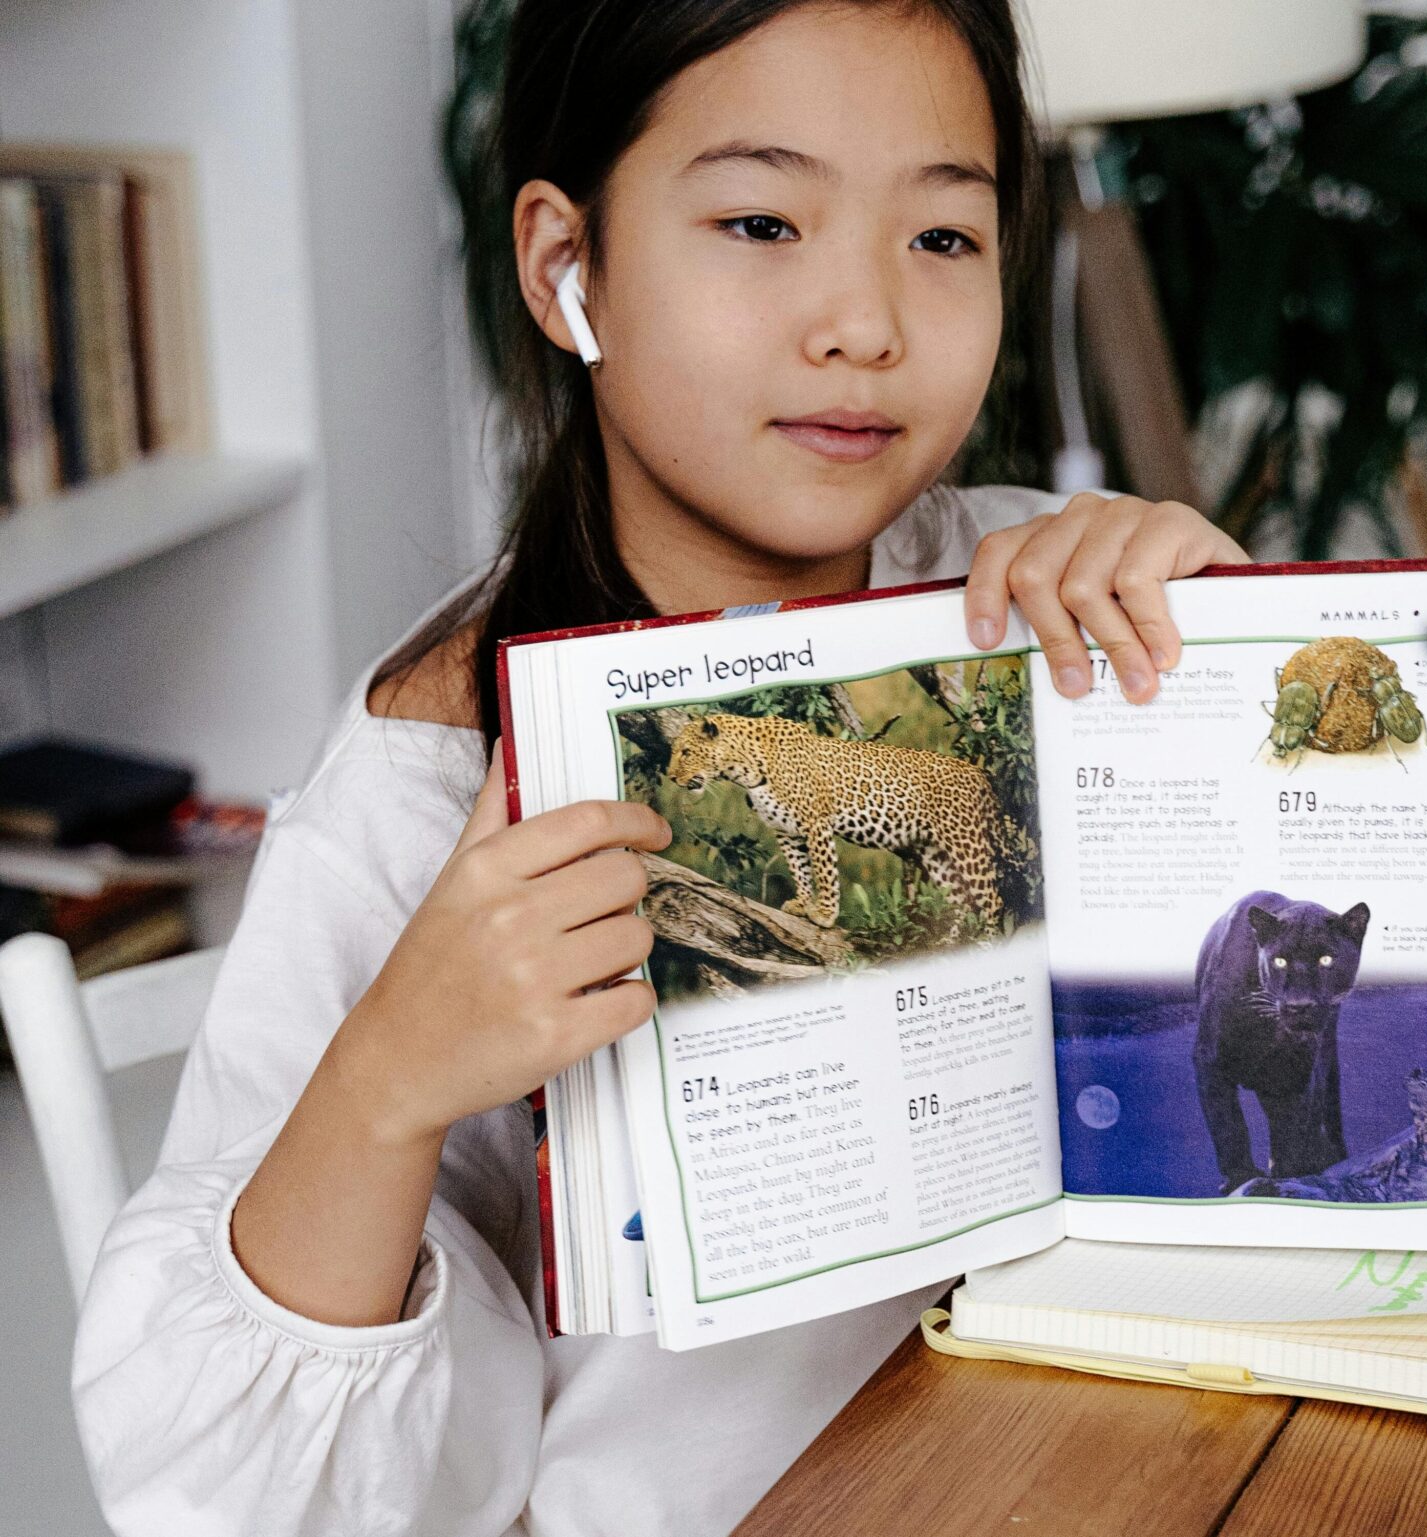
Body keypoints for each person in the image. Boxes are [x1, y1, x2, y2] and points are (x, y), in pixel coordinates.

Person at [68, 2, 1246, 1533]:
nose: (865, 323)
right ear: (568, 263)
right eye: (762, 222)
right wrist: (387, 1080)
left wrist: (1219, 646)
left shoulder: (1036, 587)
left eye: (943, 237)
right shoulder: (422, 794)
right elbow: (236, 1490)